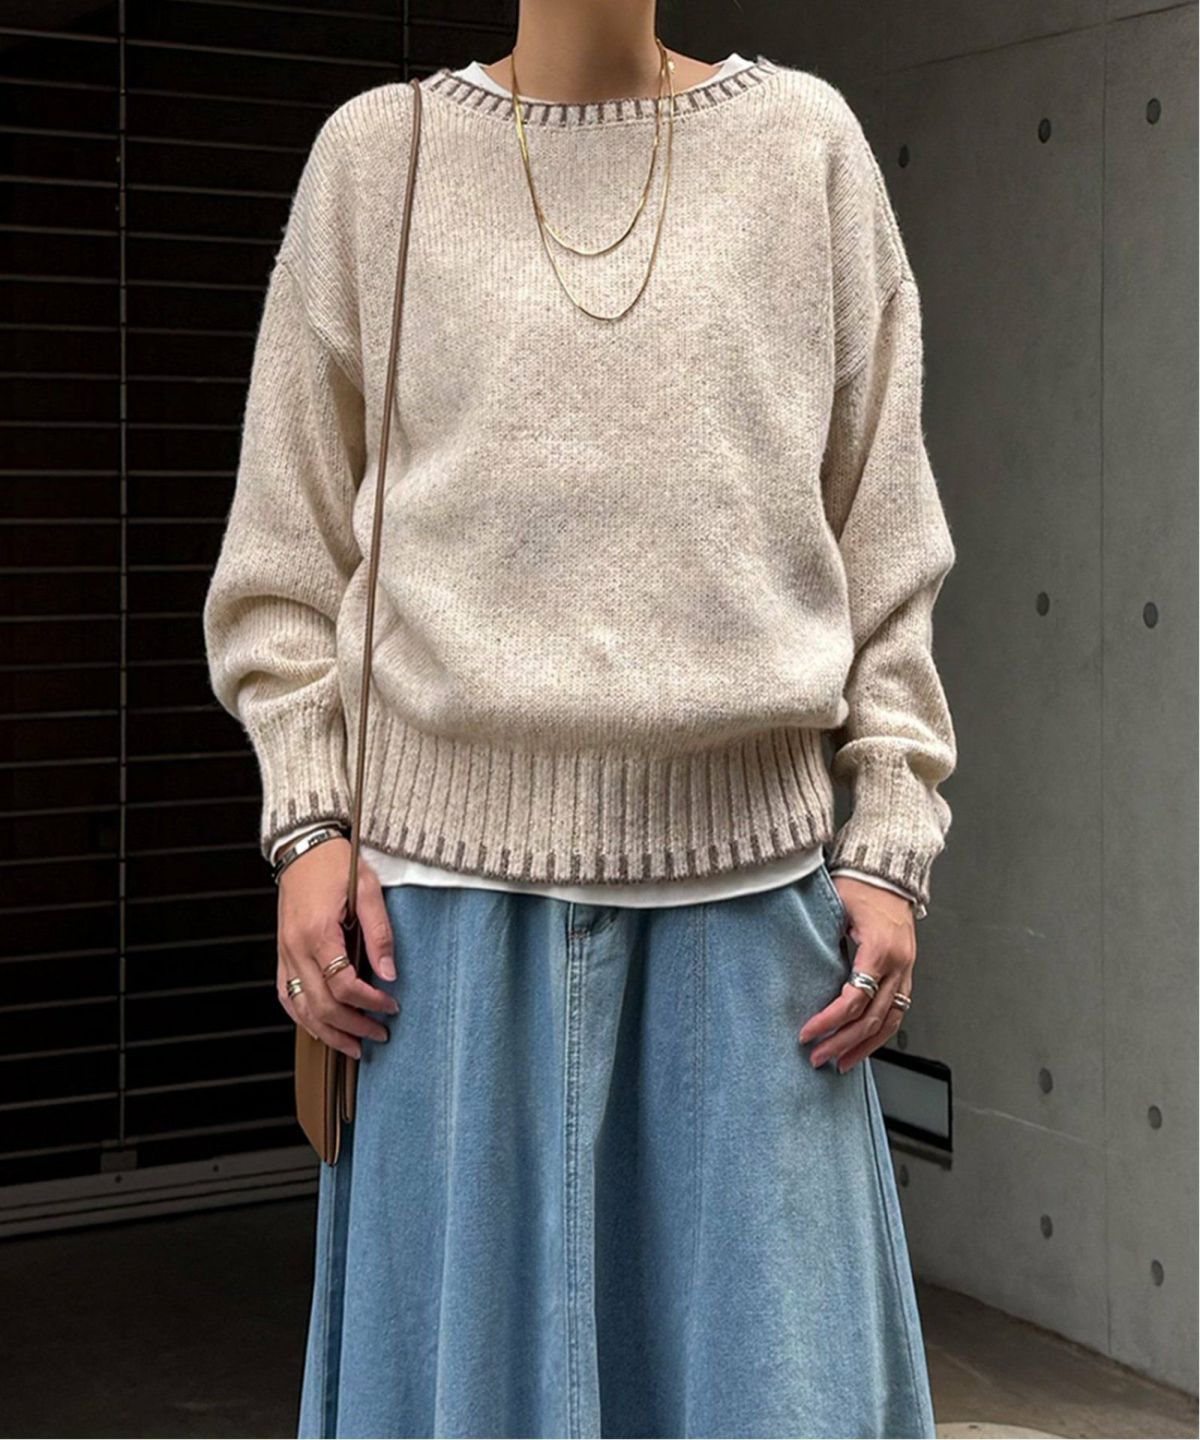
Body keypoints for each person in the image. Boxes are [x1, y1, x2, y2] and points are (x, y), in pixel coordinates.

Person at [202, 7, 957, 1436]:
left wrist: (891, 836)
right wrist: (307, 822)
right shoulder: (378, 157)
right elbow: (283, 557)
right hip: (437, 943)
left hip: (758, 936)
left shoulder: (805, 147)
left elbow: (888, 533)